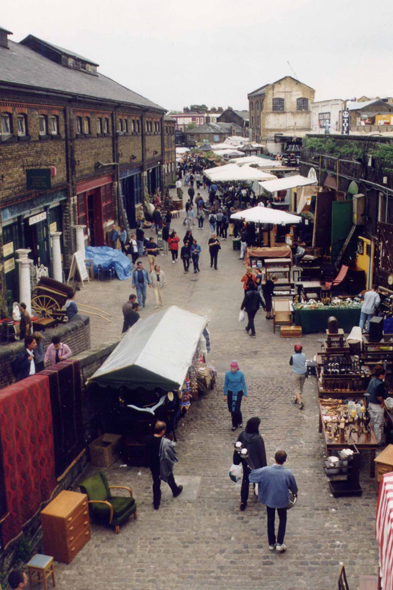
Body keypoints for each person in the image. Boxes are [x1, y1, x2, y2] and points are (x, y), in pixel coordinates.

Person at [249, 450, 298, 553]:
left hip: (269, 499)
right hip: (282, 500)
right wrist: (295, 492)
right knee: (282, 519)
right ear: (285, 460)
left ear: (274, 458)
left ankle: (271, 543)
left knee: (270, 519)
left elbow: (252, 476)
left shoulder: (265, 471)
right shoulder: (287, 473)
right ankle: (280, 543)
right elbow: (293, 486)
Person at [146, 420, 183, 510]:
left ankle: (156, 503)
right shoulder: (165, 442)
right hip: (162, 464)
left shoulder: (148, 440)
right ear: (162, 431)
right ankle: (175, 490)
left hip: (153, 465)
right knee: (169, 476)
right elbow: (171, 454)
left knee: (156, 482)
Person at [233, 417, 267, 511]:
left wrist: (236, 461)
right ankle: (258, 493)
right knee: (257, 480)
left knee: (245, 480)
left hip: (245, 462)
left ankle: (243, 501)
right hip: (256, 465)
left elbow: (238, 449)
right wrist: (264, 467)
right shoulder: (258, 439)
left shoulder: (242, 435)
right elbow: (262, 454)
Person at [224, 361, 247, 431]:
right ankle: (237, 421)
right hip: (230, 392)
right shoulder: (227, 374)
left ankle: (236, 423)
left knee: (236, 409)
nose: (233, 369)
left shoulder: (241, 374)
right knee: (231, 409)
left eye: (234, 368)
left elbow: (244, 384)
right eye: (232, 368)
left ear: (237, 368)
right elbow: (226, 384)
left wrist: (245, 394)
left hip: (238, 392)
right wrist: (225, 394)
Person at [366, 365, 387, 444]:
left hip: (370, 404)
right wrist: (382, 403)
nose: (384, 376)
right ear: (381, 375)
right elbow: (379, 396)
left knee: (372, 423)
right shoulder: (380, 384)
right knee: (378, 425)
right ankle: (376, 442)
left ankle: (371, 439)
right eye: (384, 375)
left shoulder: (372, 380)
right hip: (377, 406)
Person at [290, 344, 307, 410]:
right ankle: (296, 398)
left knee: (297, 389)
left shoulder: (293, 356)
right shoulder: (304, 355)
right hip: (303, 373)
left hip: (296, 373)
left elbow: (290, 363)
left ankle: (300, 402)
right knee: (300, 387)